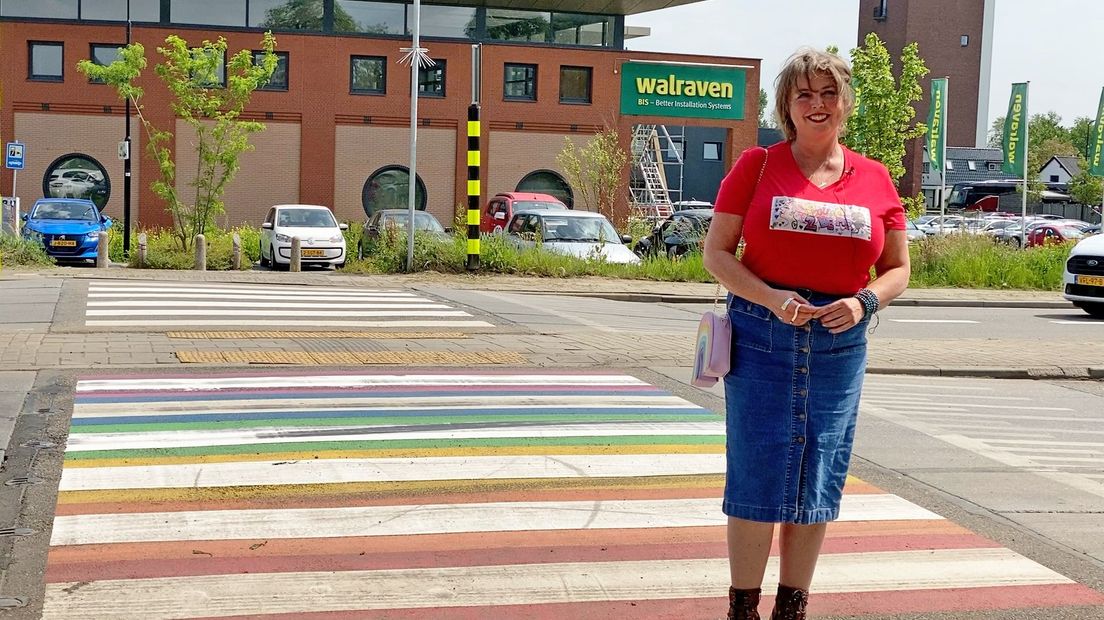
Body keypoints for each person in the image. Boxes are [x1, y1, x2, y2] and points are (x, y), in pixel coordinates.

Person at [703, 48, 911, 620]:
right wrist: (771, 299)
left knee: (817, 473)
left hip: (840, 345)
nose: (817, 104)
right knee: (758, 467)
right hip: (763, 334)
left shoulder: (874, 176)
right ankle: (743, 608)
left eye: (828, 93)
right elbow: (716, 255)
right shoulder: (758, 165)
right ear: (787, 106)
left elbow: (899, 268)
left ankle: (791, 608)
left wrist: (865, 301)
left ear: (845, 103)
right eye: (804, 95)